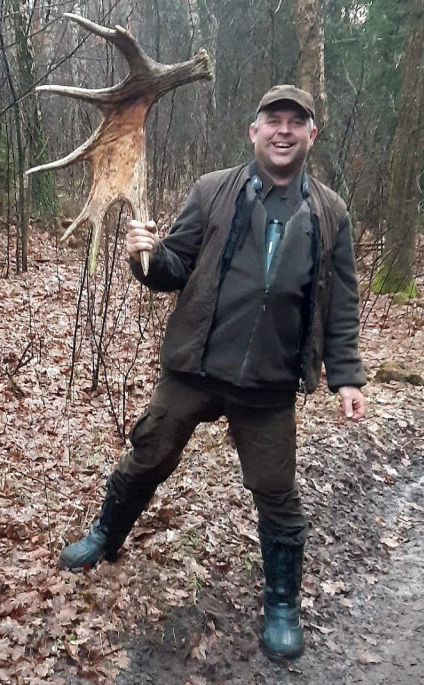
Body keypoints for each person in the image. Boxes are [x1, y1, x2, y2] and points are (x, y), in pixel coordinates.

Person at [58, 85, 367, 660]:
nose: (282, 131)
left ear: (310, 136)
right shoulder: (213, 191)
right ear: (254, 131)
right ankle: (106, 534)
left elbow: (338, 302)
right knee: (149, 451)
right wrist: (143, 254)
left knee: (276, 492)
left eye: (294, 124)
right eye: (272, 120)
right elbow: (172, 269)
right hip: (196, 366)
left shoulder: (330, 212)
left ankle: (280, 604)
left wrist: (346, 375)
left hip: (269, 383)